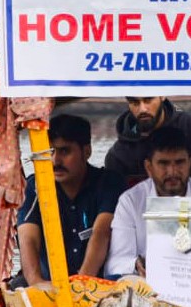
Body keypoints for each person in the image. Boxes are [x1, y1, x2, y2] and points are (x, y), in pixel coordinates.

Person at [14, 114, 125, 287]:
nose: (55, 161)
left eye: (65, 151)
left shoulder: (108, 183)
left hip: (97, 283)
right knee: (15, 287)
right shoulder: (35, 186)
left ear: (86, 152)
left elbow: (101, 232)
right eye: (50, 152)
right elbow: (27, 237)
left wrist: (79, 287)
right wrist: (37, 283)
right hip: (47, 283)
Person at [104, 127, 191, 279]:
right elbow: (115, 263)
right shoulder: (131, 202)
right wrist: (135, 264)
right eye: (163, 163)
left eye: (179, 162)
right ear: (149, 167)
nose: (172, 172)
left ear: (190, 163)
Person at [104, 96, 191, 177]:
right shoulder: (118, 154)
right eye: (134, 102)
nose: (142, 109)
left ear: (162, 96)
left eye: (148, 100)